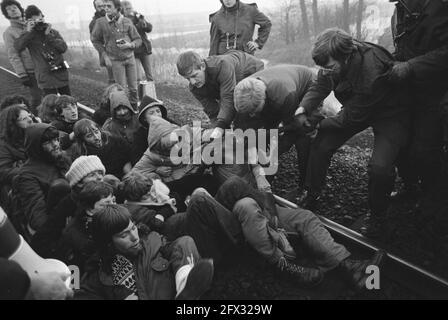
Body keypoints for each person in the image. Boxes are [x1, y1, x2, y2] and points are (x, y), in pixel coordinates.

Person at [292, 28, 411, 216]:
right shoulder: (332, 60)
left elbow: (350, 118)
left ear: (346, 57)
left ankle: (377, 212)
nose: (327, 71)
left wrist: (317, 124)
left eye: (330, 67)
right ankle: (312, 192)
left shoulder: (371, 69)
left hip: (388, 113)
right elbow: (321, 84)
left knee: (380, 168)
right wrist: (303, 108)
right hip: (357, 105)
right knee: (321, 143)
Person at [76, 204, 214, 300]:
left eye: (133, 228)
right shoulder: (101, 275)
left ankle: (185, 286)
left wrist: (185, 275)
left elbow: (178, 249)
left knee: (185, 242)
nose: (134, 237)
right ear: (108, 242)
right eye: (124, 235)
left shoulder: (152, 241)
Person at [388, 0, 448, 199]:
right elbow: (403, 48)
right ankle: (410, 186)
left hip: (435, 92)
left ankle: (434, 197)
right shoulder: (399, 10)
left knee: (424, 150)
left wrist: (411, 66)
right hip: (408, 91)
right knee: (400, 144)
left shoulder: (441, 6)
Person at [234, 65, 324, 196]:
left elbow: (292, 128)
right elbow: (242, 134)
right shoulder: (241, 93)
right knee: (255, 136)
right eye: (249, 113)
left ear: (264, 100)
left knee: (303, 135)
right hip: (275, 92)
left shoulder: (285, 96)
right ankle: (259, 172)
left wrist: (273, 150)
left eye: (254, 112)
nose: (251, 115)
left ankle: (306, 188)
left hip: (306, 88)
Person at [176, 50, 264, 134]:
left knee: (246, 116)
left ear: (202, 66)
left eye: (194, 76)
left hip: (252, 71)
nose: (193, 82)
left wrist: (221, 126)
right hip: (233, 83)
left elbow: (228, 97)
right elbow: (212, 111)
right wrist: (218, 129)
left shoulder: (222, 65)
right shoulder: (195, 88)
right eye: (188, 79)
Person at [13, 123, 71, 234]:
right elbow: (38, 219)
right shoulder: (27, 176)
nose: (55, 145)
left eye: (56, 139)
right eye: (48, 142)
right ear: (36, 147)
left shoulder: (61, 157)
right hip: (57, 227)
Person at [91, 0, 142, 108]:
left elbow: (138, 39)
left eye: (109, 6)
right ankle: (123, 109)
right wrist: (104, 55)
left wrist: (130, 45)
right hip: (115, 61)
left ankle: (135, 109)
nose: (106, 8)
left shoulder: (127, 21)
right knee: (121, 88)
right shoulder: (101, 22)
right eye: (104, 6)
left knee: (134, 88)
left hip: (130, 58)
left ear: (117, 8)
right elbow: (95, 40)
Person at [14, 5, 70, 96]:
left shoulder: (53, 32)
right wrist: (28, 31)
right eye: (35, 21)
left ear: (43, 17)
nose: (39, 23)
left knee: (68, 100)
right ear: (29, 22)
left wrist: (49, 36)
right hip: (45, 76)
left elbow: (63, 48)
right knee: (51, 104)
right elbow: (18, 47)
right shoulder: (29, 36)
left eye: (40, 19)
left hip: (60, 73)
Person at [1, 0, 42, 112]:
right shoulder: (9, 33)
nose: (12, 10)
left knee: (51, 96)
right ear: (6, 14)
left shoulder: (32, 25)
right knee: (38, 99)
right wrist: (22, 74)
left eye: (14, 7)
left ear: (20, 9)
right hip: (31, 70)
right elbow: (13, 55)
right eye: (8, 9)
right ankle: (36, 121)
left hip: (44, 67)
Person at [122, 0, 154, 82]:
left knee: (149, 76)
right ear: (122, 10)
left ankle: (151, 94)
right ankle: (140, 94)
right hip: (133, 52)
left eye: (130, 8)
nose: (129, 10)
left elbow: (149, 28)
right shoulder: (122, 20)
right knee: (138, 77)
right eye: (127, 9)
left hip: (144, 50)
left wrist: (143, 22)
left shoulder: (138, 17)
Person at [89, 0, 114, 85]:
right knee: (113, 79)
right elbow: (95, 41)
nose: (103, 8)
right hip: (108, 55)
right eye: (99, 6)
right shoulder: (94, 23)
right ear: (95, 8)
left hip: (121, 53)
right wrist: (105, 56)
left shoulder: (113, 16)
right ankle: (111, 97)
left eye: (104, 5)